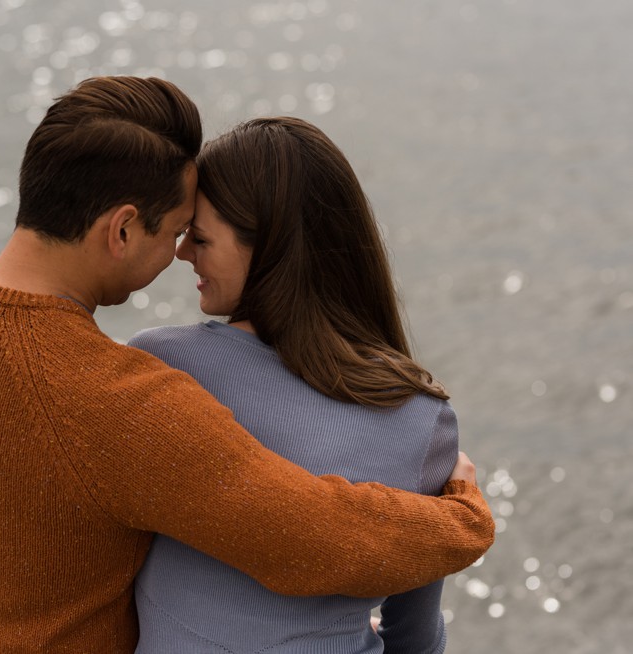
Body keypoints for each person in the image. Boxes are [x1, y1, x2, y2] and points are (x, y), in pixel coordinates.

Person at [0, 77, 494, 653]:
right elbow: (312, 539)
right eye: (173, 233)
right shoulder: (113, 403)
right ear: (121, 230)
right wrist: (460, 518)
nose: (179, 255)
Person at [131, 116, 467, 653]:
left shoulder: (165, 368)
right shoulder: (422, 418)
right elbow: (416, 635)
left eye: (199, 237)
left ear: (265, 248)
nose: (182, 253)